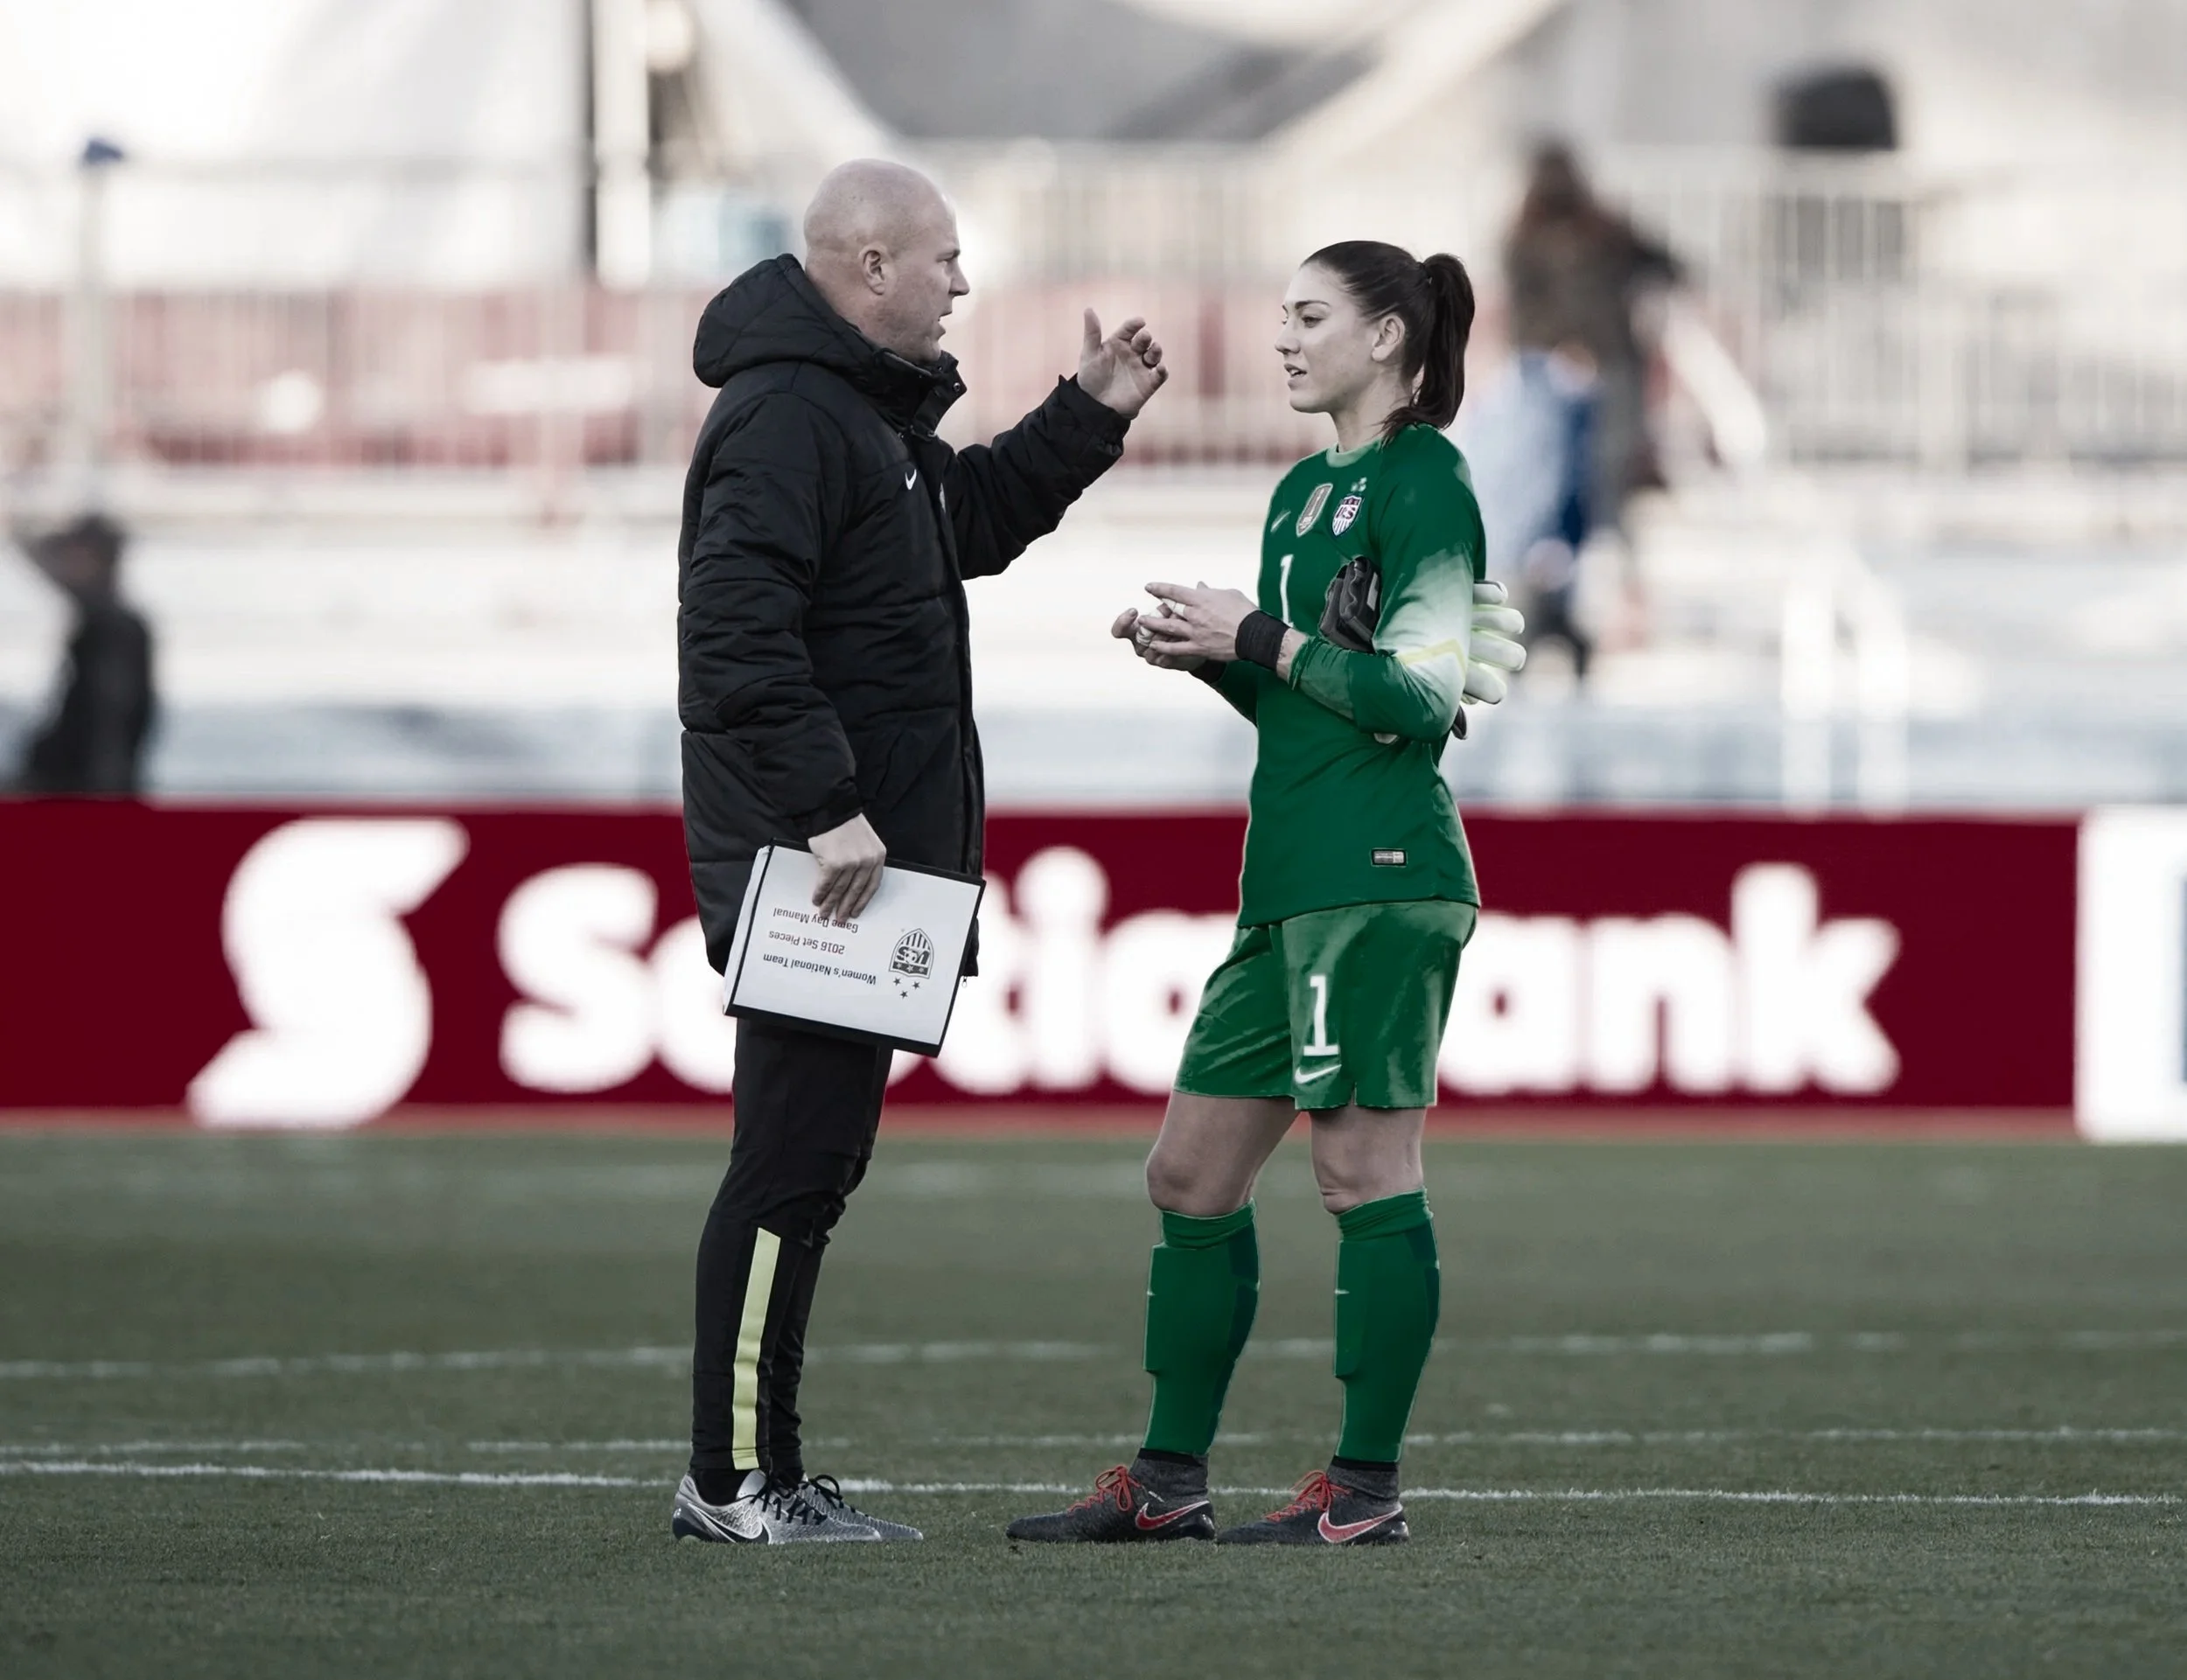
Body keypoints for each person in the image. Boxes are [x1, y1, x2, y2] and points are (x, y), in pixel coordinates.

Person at [670, 159, 1169, 1545]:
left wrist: (1088, 417)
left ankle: (762, 1474)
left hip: (853, 858)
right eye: (944, 257)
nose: (963, 280)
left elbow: (965, 528)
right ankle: (730, 1484)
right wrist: (828, 806)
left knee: (811, 1173)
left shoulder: (852, 418)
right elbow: (730, 639)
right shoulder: (786, 415)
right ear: (870, 265)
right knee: (787, 1172)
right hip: (817, 862)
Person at [1007, 241, 1524, 1547]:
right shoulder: (1300, 495)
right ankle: (1167, 1485)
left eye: (1309, 318)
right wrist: (1209, 655)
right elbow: (1304, 691)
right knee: (1187, 1175)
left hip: (1381, 872)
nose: (1283, 341)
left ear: (1391, 338)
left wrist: (1258, 637)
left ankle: (1363, 1494)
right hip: (1291, 880)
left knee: (1361, 1171)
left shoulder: (1427, 481)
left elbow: (1415, 698)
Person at [10, 512, 155, 794]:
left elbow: (109, 723)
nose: (62, 566)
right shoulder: (99, 616)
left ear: (94, 561)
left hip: (79, 791)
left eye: (72, 556)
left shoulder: (112, 628)